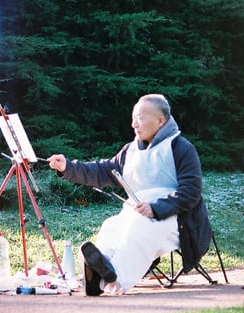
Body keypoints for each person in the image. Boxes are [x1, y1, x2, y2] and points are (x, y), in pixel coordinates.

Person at [47, 94, 211, 295]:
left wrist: (156, 208)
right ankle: (98, 277)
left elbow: (191, 192)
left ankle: (113, 281)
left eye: (140, 118)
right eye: (133, 118)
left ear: (160, 121)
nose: (134, 124)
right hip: (136, 212)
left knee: (139, 227)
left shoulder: (181, 148)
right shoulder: (130, 151)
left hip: (175, 219)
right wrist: (67, 167)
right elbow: (102, 171)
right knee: (111, 226)